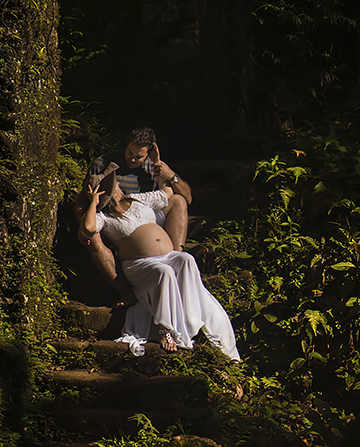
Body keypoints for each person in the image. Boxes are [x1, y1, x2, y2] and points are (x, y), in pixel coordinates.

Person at [78, 164, 240, 360]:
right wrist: (94, 203)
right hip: (140, 264)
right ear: (110, 193)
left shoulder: (136, 199)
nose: (119, 184)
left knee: (186, 259)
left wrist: (161, 167)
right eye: (115, 185)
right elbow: (88, 228)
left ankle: (189, 320)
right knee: (164, 272)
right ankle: (165, 328)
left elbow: (166, 195)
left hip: (167, 256)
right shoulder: (104, 217)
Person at [79, 127, 193, 305]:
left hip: (144, 212)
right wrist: (83, 223)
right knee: (91, 236)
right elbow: (84, 198)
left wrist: (171, 176)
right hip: (114, 219)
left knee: (178, 201)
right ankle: (125, 292)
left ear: (148, 153)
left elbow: (186, 198)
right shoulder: (104, 163)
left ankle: (175, 259)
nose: (132, 158)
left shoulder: (152, 167)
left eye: (138, 156)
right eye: (130, 152)